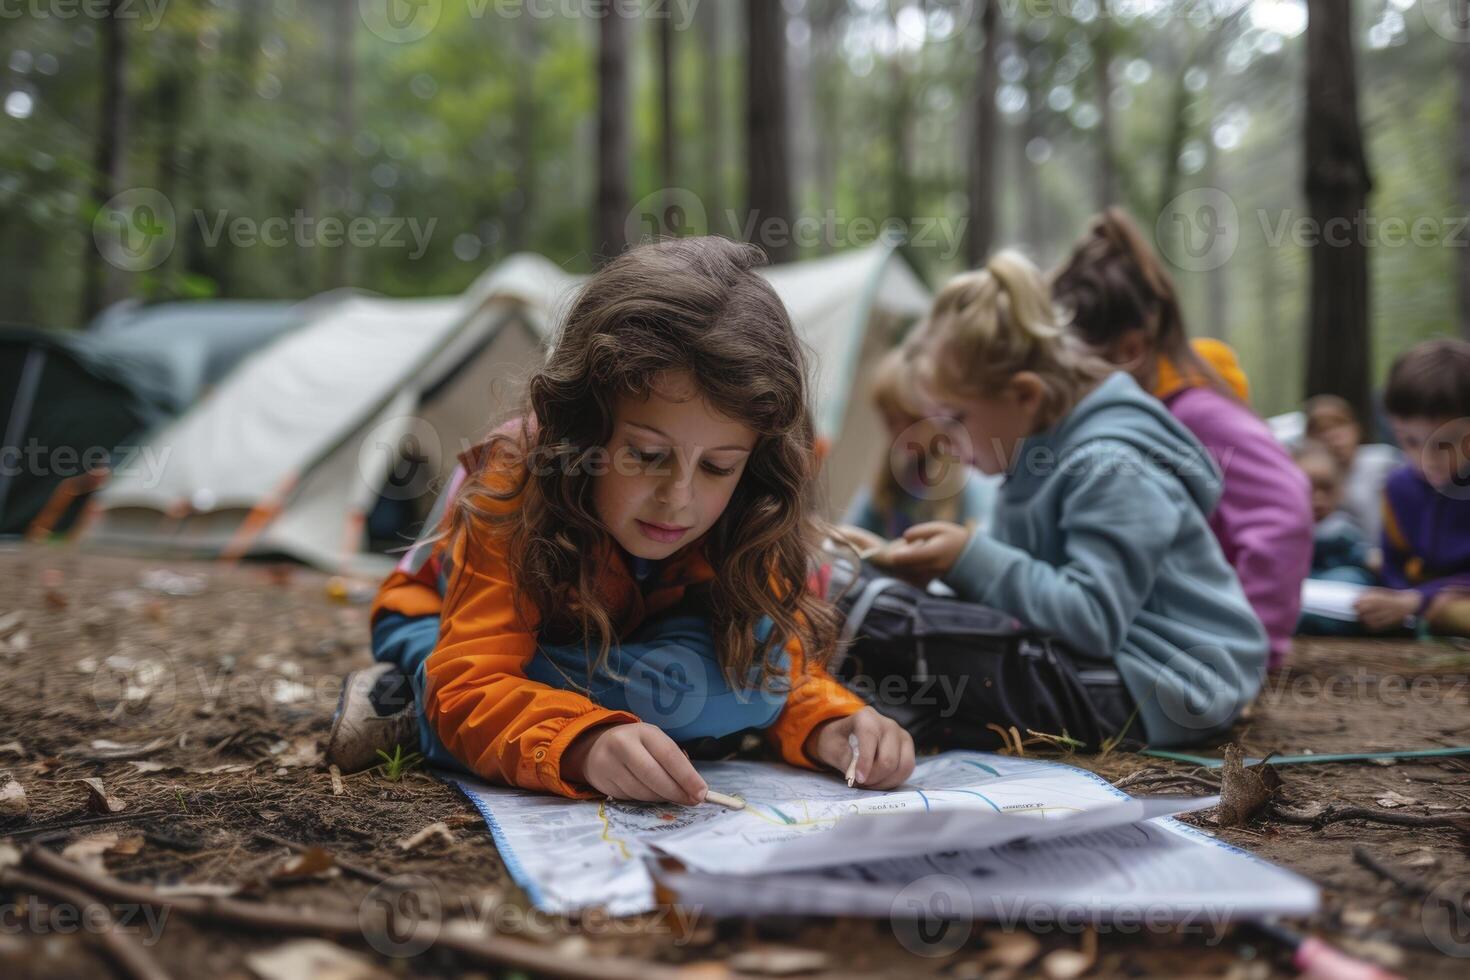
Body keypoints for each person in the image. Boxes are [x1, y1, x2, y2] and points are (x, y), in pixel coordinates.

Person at [326, 236, 915, 801]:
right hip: (438, 623)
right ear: (584, 428)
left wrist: (832, 722)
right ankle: (411, 707)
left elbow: (778, 667)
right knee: (689, 700)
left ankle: (550, 704)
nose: (678, 497)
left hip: (630, 641)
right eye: (647, 455)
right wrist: (582, 742)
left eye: (717, 466)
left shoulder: (750, 508)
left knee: (744, 684)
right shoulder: (518, 476)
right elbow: (471, 677)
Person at [878, 251, 1267, 748]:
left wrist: (968, 559)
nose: (943, 440)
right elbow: (1026, 589)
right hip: (1113, 661)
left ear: (1025, 395)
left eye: (955, 418)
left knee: (945, 659)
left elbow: (1092, 618)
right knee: (927, 645)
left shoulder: (1110, 466)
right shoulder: (1028, 452)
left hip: (1175, 679)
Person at [1051, 208, 1312, 670]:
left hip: (1219, 653)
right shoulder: (1130, 420)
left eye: (1072, 365)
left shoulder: (1199, 414)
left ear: (1130, 350)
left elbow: (1284, 513)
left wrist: (1252, 650)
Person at [1355, 339, 1470, 636]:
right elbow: (1394, 565)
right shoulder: (1398, 487)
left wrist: (1419, 599)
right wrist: (1395, 600)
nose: (1428, 459)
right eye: (1410, 441)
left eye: (1448, 443)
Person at [838, 346, 998, 549]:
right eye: (889, 420)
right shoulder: (895, 476)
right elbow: (852, 532)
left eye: (910, 420)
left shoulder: (972, 484)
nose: (898, 432)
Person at [1292, 440, 1377, 636]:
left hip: (1334, 591)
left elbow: (1363, 558)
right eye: (1309, 488)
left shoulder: (1344, 529)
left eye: (1326, 488)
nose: (1318, 498)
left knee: (1352, 580)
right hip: (1295, 586)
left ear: (1340, 490)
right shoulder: (1279, 527)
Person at [1303, 394, 1401, 545]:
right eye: (1322, 430)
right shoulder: (1307, 476)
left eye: (1339, 426)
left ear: (1356, 429)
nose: (1333, 436)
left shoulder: (1383, 462)